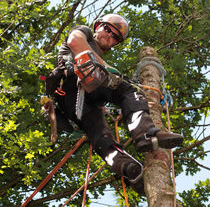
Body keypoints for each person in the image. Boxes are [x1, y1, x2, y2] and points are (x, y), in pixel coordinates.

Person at [45, 13, 183, 195]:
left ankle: (127, 166)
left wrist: (114, 76)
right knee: (128, 89)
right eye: (108, 30)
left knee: (100, 131)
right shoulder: (84, 33)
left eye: (116, 37)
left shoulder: (102, 65)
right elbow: (74, 41)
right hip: (71, 87)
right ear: (97, 27)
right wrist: (112, 73)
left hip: (87, 99)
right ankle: (146, 134)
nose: (110, 37)